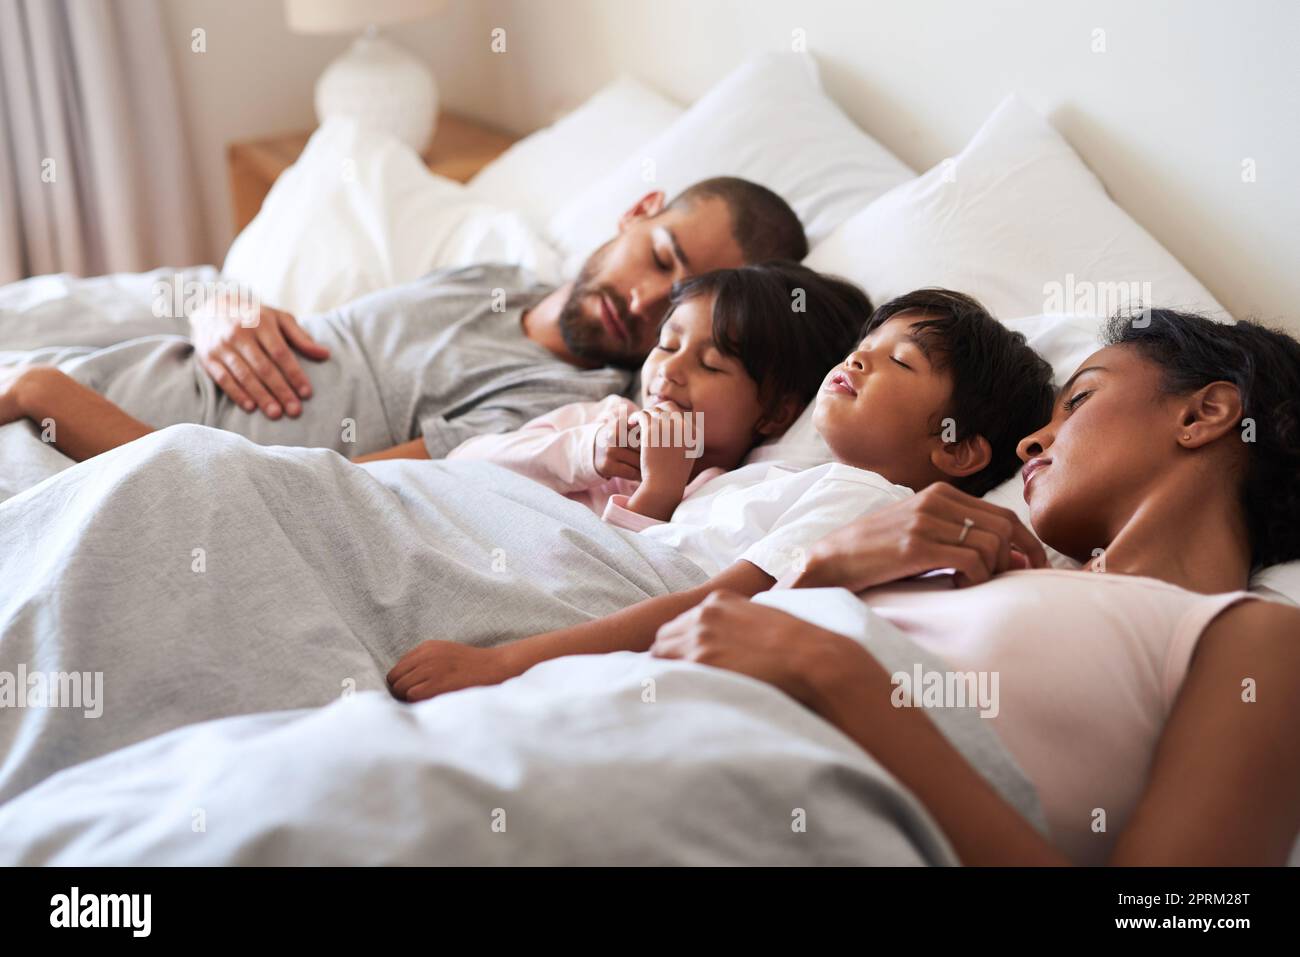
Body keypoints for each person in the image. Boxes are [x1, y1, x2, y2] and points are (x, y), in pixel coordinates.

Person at [648, 309, 1300, 865]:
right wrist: (817, 573)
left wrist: (844, 682)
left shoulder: (1260, 638)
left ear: (1205, 413)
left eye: (1078, 401)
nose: (1032, 443)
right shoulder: (972, 565)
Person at [387, 288, 1056, 699]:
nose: (858, 359)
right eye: (865, 345)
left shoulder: (865, 497)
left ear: (957, 447)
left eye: (900, 360)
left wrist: (506, 661)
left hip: (577, 616)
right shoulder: (767, 476)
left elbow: (722, 598)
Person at [0, 178, 807, 464]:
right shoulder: (498, 274)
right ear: (636, 212)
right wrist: (224, 304)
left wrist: (55, 400)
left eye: (676, 303)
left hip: (97, 439)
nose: (643, 300)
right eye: (661, 258)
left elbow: (331, 487)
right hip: (110, 371)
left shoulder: (561, 404)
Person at [447, 262, 869, 521]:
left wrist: (658, 496)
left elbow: (613, 584)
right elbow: (460, 465)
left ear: (775, 414)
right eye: (667, 344)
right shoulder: (601, 420)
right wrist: (581, 452)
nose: (671, 368)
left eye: (711, 365)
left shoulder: (719, 496)